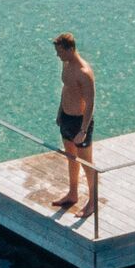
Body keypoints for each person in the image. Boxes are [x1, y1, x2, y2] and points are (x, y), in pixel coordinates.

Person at [51, 32, 97, 217]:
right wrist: (60, 111)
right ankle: (73, 193)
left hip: (80, 122)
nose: (57, 55)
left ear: (70, 49)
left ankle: (92, 203)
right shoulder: (66, 64)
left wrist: (84, 130)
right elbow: (66, 88)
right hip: (67, 118)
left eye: (60, 51)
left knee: (87, 164)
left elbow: (91, 102)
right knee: (71, 157)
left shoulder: (84, 72)